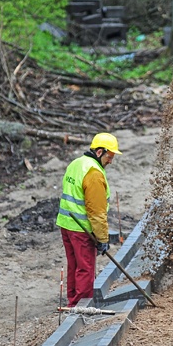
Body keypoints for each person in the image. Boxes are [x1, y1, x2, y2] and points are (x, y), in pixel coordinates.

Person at [56, 132, 118, 307]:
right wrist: (103, 239)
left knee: (74, 265)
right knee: (85, 268)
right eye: (110, 156)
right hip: (81, 229)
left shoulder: (76, 164)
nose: (111, 161)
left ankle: (73, 302)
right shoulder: (94, 174)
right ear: (99, 152)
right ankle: (82, 306)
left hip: (66, 224)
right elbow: (97, 213)